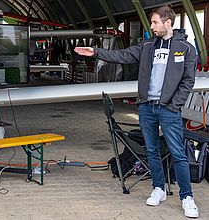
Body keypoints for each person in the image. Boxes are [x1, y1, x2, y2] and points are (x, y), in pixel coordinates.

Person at [74, 5, 199, 218]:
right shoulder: (147, 45)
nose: (151, 27)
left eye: (155, 22)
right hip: (147, 107)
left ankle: (187, 197)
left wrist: (174, 104)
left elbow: (188, 81)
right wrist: (95, 52)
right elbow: (122, 55)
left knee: (177, 153)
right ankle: (158, 189)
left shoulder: (186, 48)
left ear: (168, 22)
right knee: (151, 151)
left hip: (169, 110)